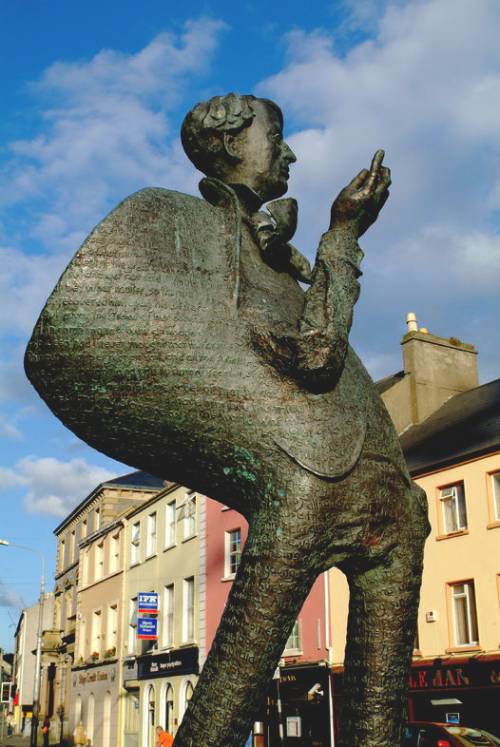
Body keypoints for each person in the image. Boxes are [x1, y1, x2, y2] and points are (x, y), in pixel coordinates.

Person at [25, 93, 430, 747]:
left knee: (281, 717)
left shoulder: (261, 251)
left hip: (367, 489)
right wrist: (344, 234)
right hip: (320, 484)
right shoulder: (215, 243)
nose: (291, 152)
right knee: (234, 716)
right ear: (232, 143)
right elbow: (318, 357)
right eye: (279, 135)